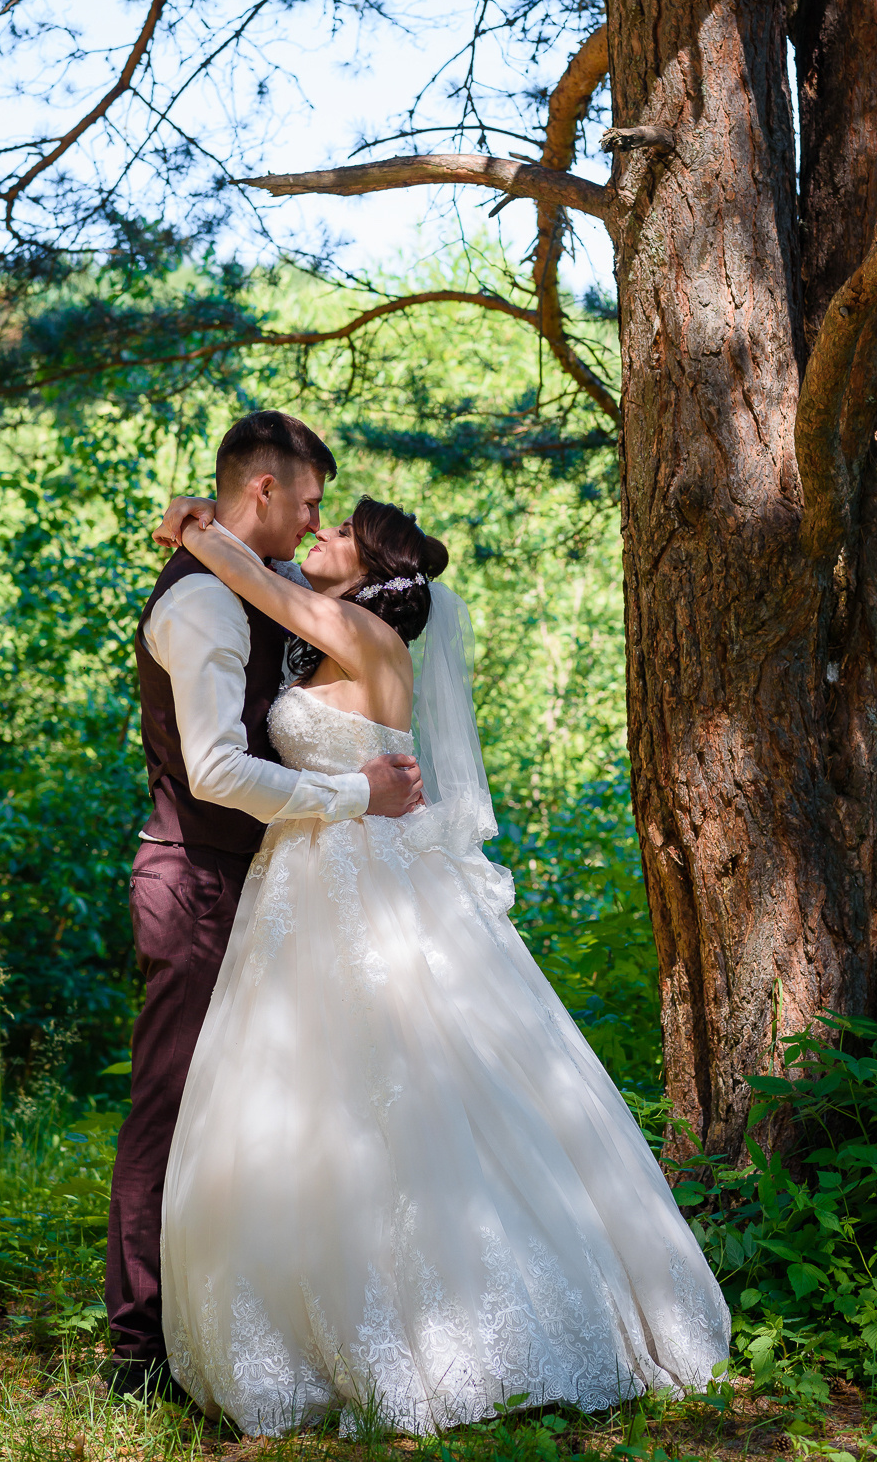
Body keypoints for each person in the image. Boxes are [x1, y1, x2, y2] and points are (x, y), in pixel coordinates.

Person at [150, 490, 731, 1435]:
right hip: (311, 870)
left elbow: (254, 575)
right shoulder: (339, 624)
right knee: (313, 1090)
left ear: (376, 573)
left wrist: (190, 525)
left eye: (336, 532)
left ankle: (479, 1325)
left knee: (401, 1080)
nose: (317, 535)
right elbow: (272, 582)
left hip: (362, 873)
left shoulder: (361, 634)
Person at [103, 413, 423, 1400]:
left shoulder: (261, 596)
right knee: (173, 1105)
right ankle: (138, 1341)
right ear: (263, 493)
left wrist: (195, 528)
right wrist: (352, 794)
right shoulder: (205, 600)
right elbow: (212, 769)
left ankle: (257, 1312)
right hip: (197, 876)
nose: (316, 519)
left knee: (251, 1109)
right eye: (311, 503)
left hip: (263, 884)